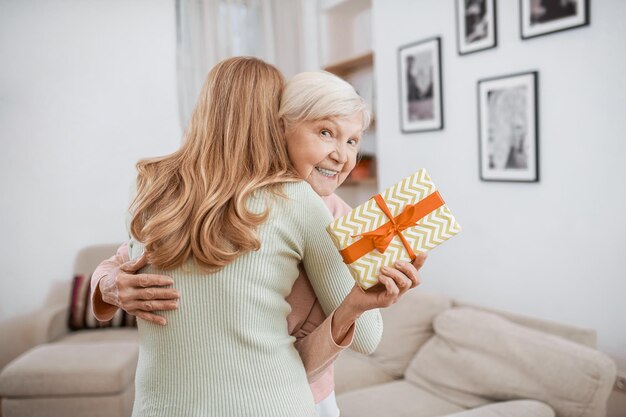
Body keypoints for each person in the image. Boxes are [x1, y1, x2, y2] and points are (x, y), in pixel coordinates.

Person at [92, 65, 426, 416]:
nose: (341, 155)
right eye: (325, 132)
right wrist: (106, 284)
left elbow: (365, 335)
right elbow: (125, 260)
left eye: (353, 141)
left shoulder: (338, 215)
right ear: (280, 127)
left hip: (306, 390)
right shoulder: (284, 199)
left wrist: (366, 297)